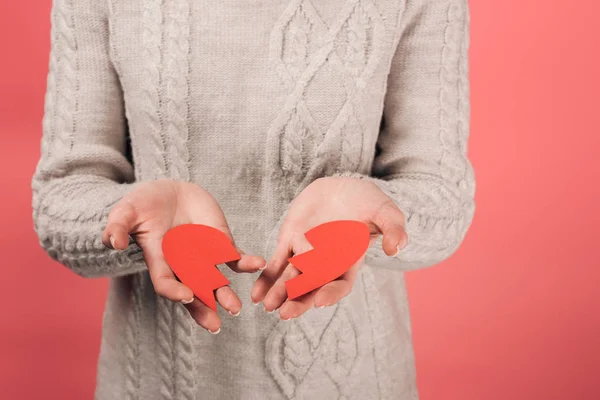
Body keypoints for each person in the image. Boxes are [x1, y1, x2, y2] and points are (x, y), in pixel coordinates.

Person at [31, 0, 476, 399]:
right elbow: (61, 198)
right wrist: (135, 224)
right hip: (156, 381)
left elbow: (440, 197)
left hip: (354, 381)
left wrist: (368, 215)